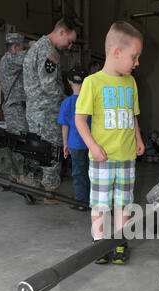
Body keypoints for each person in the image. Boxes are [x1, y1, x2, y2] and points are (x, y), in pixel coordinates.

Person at [75, 21, 145, 264]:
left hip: (126, 157)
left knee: (124, 203)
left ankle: (119, 240)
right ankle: (99, 241)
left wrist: (138, 138)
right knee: (101, 204)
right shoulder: (92, 82)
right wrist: (93, 146)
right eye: (134, 57)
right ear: (116, 52)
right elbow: (80, 119)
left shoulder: (131, 83)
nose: (137, 63)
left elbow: (133, 114)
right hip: (102, 158)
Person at [23, 17, 77, 190]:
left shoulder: (36, 47)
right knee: (52, 151)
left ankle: (34, 187)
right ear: (61, 32)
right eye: (70, 41)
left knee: (37, 151)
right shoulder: (49, 52)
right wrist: (68, 104)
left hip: (35, 112)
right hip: (47, 113)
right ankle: (50, 191)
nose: (69, 46)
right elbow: (50, 87)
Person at [58, 65, 91, 210]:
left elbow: (65, 126)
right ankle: (95, 202)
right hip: (92, 144)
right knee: (93, 173)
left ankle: (80, 202)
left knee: (78, 173)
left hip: (75, 144)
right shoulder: (92, 101)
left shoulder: (67, 102)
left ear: (69, 81)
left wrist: (65, 144)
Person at [0, 33, 28, 134]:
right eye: (22, 48)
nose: (23, 51)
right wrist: (36, 46)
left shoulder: (8, 59)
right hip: (14, 109)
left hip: (17, 107)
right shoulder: (10, 59)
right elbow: (30, 57)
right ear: (15, 47)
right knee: (21, 140)